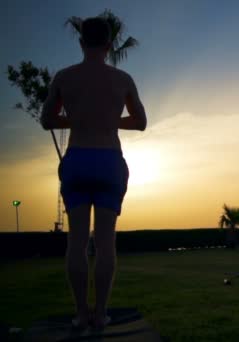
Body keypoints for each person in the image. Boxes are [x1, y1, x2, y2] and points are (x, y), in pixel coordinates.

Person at [40, 17, 147, 329]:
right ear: (109, 45)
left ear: (81, 43)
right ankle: (100, 313)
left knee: (76, 242)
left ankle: (80, 313)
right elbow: (140, 122)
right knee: (105, 243)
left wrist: (79, 120)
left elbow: (48, 120)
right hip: (109, 161)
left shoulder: (64, 76)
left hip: (78, 160)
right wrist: (107, 121)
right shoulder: (122, 78)